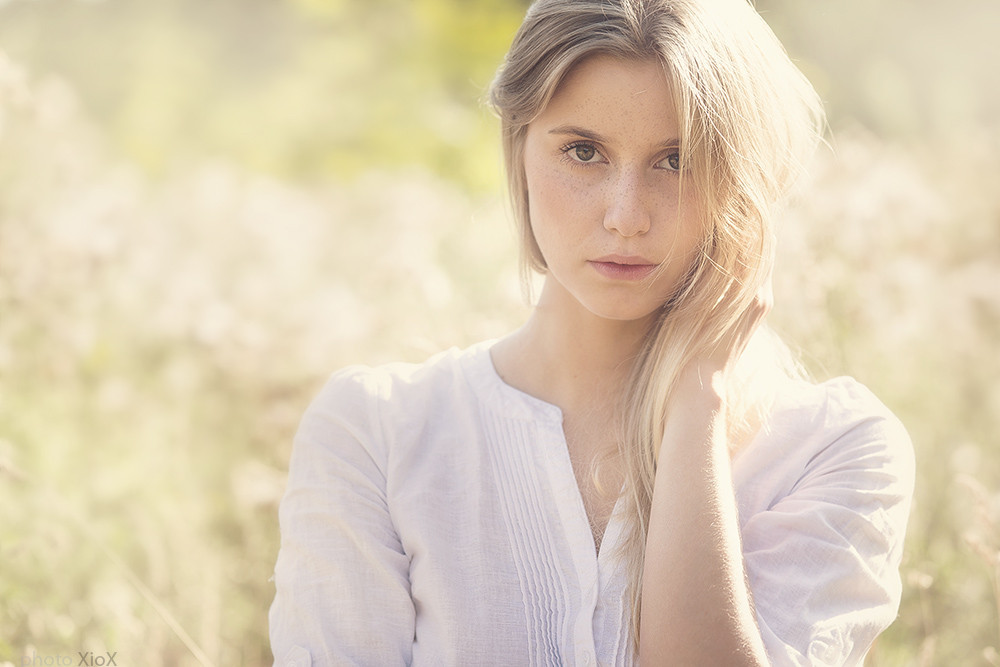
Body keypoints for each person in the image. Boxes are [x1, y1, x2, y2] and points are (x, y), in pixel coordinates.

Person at [268, 0, 914, 664]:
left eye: (677, 160)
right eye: (583, 152)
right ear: (518, 148)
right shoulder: (378, 435)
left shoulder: (833, 450)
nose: (626, 215)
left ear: (743, 182)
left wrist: (697, 403)